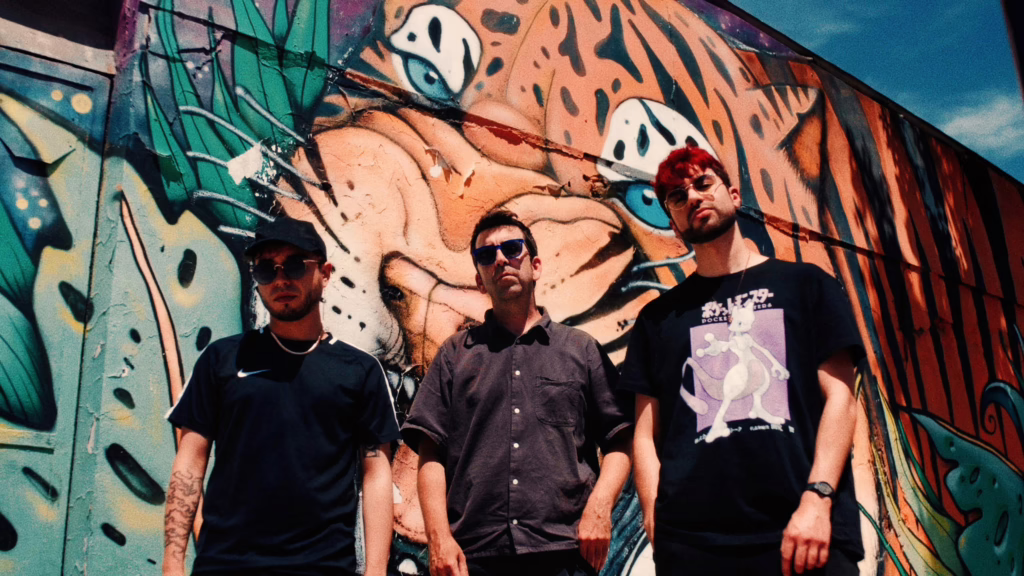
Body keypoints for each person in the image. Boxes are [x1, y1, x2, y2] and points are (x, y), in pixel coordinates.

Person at [620, 144, 864, 576]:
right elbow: (644, 434)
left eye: (703, 183)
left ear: (733, 195)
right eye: (678, 196)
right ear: (674, 223)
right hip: (695, 547)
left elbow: (842, 400)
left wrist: (818, 497)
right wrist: (656, 518)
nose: (693, 197)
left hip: (803, 533)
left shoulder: (807, 285)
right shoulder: (658, 319)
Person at [162, 217, 400, 576]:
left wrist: (377, 571)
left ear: (325, 273)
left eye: (294, 265)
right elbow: (190, 460)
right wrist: (172, 562)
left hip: (322, 568)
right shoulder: (222, 359)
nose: (280, 279)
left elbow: (376, 473)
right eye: (265, 270)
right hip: (225, 565)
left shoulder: (360, 370)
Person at [402, 211, 633, 576]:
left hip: (565, 553)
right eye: (486, 255)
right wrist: (439, 539)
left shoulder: (581, 350)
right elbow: (430, 454)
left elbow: (620, 442)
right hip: (475, 558)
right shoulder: (455, 355)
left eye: (512, 249)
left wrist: (600, 508)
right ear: (479, 281)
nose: (500, 260)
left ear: (535, 266)